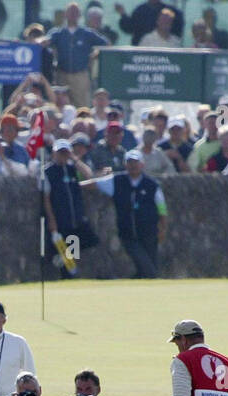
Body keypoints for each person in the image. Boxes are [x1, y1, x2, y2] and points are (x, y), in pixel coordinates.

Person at [86, 147, 167, 278]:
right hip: (128, 233)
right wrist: (74, 186)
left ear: (142, 164)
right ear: (125, 164)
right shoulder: (117, 181)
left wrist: (162, 228)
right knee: (149, 269)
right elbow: (95, 184)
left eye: (136, 162)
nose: (133, 165)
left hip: (149, 232)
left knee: (149, 267)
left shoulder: (152, 185)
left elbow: (162, 209)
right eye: (130, 162)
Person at [43, 138, 99, 277]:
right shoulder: (47, 172)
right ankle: (66, 272)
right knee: (69, 266)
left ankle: (62, 259)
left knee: (90, 240)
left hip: (76, 220)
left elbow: (89, 176)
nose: (62, 156)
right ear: (54, 153)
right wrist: (52, 221)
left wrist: (74, 159)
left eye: (65, 153)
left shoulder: (72, 169)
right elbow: (46, 198)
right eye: (60, 153)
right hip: (61, 221)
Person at [47, 3, 106, 108]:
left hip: (80, 75)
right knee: (60, 105)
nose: (73, 15)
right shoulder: (58, 33)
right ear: (65, 14)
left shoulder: (86, 33)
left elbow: (106, 44)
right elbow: (45, 42)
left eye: (75, 13)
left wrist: (94, 55)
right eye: (70, 12)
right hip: (62, 74)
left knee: (81, 105)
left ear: (80, 15)